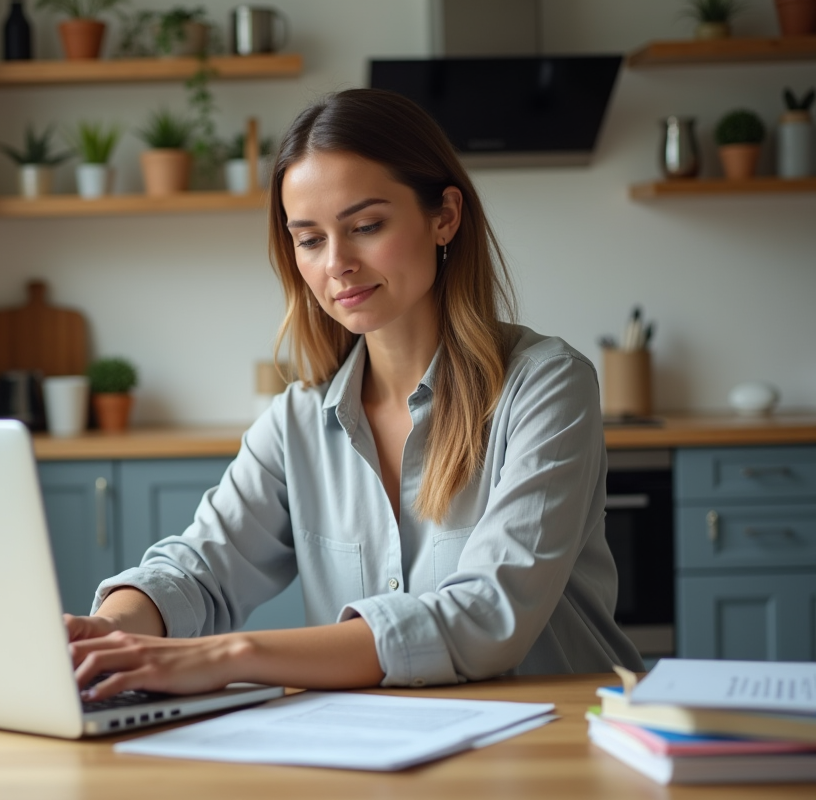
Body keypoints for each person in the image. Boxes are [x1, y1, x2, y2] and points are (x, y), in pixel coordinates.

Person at [67, 89, 643, 702]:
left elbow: (486, 617)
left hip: (556, 747)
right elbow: (198, 569)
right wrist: (106, 633)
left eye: (366, 226)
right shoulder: (296, 422)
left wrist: (229, 656)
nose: (336, 262)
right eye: (309, 239)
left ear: (444, 216)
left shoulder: (547, 384)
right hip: (381, 752)